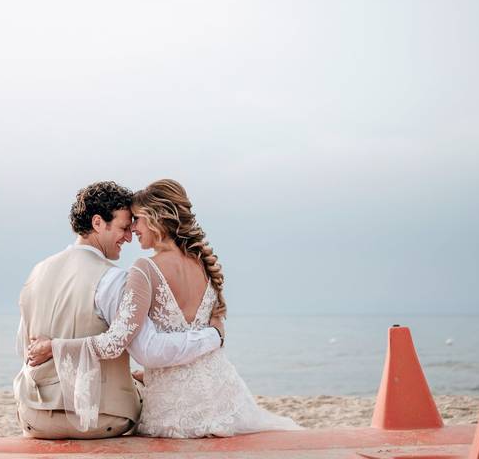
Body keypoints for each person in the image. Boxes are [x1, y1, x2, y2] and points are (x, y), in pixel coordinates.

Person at [35, 179, 299, 438]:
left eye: (136, 219)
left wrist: (56, 347)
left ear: (155, 218)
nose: (133, 230)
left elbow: (124, 344)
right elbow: (194, 335)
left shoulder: (144, 269)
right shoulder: (202, 264)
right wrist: (213, 337)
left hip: (175, 410)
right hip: (226, 399)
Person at [13, 181, 222, 439]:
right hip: (98, 419)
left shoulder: (37, 272)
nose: (128, 236)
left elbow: (22, 349)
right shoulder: (112, 279)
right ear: (98, 223)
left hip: (33, 418)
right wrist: (214, 335)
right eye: (124, 227)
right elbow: (145, 348)